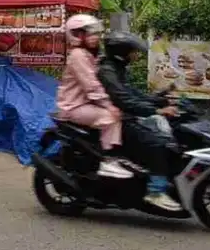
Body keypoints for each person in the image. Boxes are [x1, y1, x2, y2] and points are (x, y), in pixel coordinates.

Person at [98, 30, 182, 211]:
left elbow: (134, 95)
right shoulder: (107, 71)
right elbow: (124, 100)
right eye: (133, 51)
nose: (136, 55)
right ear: (122, 52)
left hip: (124, 117)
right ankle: (155, 191)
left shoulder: (117, 69)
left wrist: (162, 98)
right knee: (158, 143)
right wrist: (157, 110)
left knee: (167, 137)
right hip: (118, 121)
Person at [55, 15, 123, 164]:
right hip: (74, 106)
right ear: (77, 35)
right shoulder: (78, 55)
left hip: (85, 104)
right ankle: (110, 161)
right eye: (90, 33)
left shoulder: (89, 55)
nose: (95, 37)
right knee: (111, 118)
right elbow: (91, 85)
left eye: (96, 33)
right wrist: (109, 105)